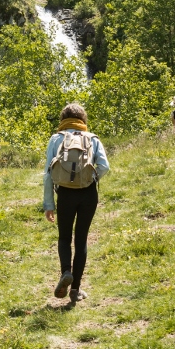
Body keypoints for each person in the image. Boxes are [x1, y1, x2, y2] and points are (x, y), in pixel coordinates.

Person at [43, 102, 110, 303]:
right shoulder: (92, 138)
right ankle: (75, 290)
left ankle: (66, 272)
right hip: (88, 193)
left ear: (63, 119)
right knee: (81, 239)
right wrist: (90, 179)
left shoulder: (56, 139)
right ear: (83, 119)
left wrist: (49, 204)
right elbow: (105, 166)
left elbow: (48, 174)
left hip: (65, 193)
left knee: (64, 237)